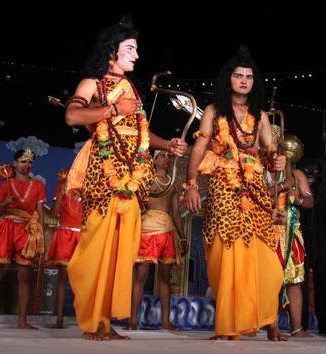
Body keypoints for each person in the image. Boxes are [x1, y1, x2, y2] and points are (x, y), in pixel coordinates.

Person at [63, 16, 187, 340]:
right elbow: (72, 115)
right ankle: (92, 321)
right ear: (111, 51)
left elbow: (138, 133)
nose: (136, 55)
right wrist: (113, 110)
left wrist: (167, 144)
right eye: (129, 49)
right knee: (99, 246)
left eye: (135, 49)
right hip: (103, 176)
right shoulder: (94, 83)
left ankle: (106, 320)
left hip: (132, 179)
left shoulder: (131, 88)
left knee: (122, 250)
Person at [184, 44, 286, 340]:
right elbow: (200, 148)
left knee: (262, 255)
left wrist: (275, 159)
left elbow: (268, 152)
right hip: (223, 187)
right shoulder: (215, 112)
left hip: (254, 191)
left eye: (249, 76)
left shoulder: (261, 115)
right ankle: (227, 324)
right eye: (238, 75)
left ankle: (267, 317)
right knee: (225, 253)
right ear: (228, 79)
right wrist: (190, 185)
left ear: (254, 82)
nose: (243, 80)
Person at [0, 148, 46, 329]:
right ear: (14, 163)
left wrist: (40, 236)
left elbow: (41, 214)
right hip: (6, 228)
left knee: (24, 276)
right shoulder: (5, 185)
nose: (27, 165)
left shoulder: (37, 185)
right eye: (23, 161)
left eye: (30, 162)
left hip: (26, 231)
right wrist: (5, 203)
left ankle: (22, 322)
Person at [125, 151, 187, 331]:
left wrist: (182, 237)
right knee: (141, 278)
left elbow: (175, 213)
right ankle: (133, 320)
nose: (165, 158)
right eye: (161, 156)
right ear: (154, 160)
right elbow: (138, 204)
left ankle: (166, 322)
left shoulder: (173, 184)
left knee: (164, 279)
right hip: (147, 231)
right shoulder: (145, 179)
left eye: (168, 156)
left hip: (167, 232)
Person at [266, 134, 313, 337]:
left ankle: (297, 328)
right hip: (266, 230)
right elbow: (253, 197)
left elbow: (310, 201)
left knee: (294, 280)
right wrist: (280, 187)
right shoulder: (262, 171)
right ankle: (271, 325)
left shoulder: (297, 174)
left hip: (291, 230)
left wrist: (298, 200)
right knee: (269, 279)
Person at [299, 158, 326, 335]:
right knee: (301, 283)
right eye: (307, 173)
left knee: (321, 285)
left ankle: (322, 324)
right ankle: (301, 324)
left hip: (321, 244)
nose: (310, 176)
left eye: (313, 173)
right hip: (305, 242)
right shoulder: (303, 194)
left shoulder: (325, 196)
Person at [47, 169, 83, 329]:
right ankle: (59, 319)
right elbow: (54, 214)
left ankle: (84, 319)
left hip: (83, 235)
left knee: (84, 280)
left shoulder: (88, 187)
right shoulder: (62, 186)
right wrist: (61, 194)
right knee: (62, 278)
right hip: (65, 234)